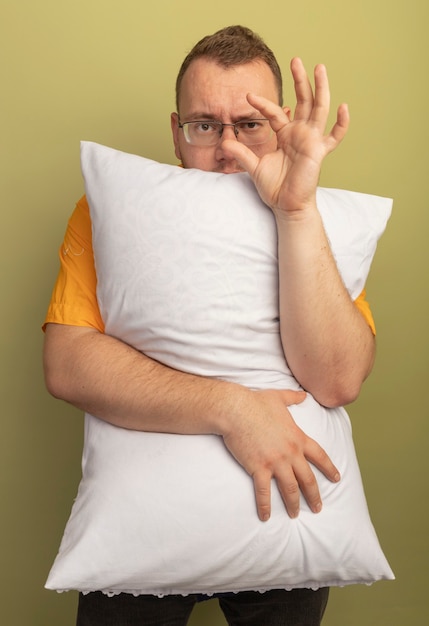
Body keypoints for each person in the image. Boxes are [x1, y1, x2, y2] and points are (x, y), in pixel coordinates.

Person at [43, 25, 376, 626]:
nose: (227, 149)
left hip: (286, 516)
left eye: (250, 125)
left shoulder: (321, 223)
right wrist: (233, 408)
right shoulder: (110, 212)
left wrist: (296, 213)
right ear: (177, 133)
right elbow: (67, 363)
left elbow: (338, 379)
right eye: (204, 125)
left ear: (279, 129)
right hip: (143, 530)